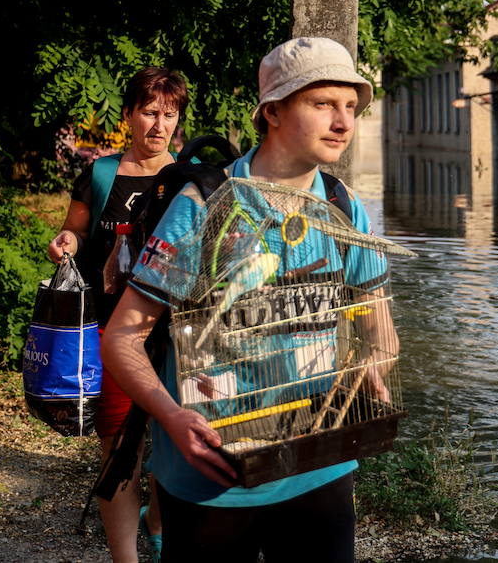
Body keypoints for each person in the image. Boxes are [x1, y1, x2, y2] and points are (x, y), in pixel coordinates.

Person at [102, 37, 397, 563]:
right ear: (274, 111)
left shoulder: (344, 206)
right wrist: (171, 418)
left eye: (351, 106)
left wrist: (372, 364)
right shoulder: (205, 207)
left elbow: (379, 328)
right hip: (213, 478)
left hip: (319, 468)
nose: (343, 122)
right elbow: (123, 337)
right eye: (323, 103)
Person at [49, 66, 187, 562]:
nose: (159, 125)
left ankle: (158, 520)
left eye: (169, 115)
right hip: (111, 330)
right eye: (149, 113)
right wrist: (69, 241)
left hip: (177, 335)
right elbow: (77, 233)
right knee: (117, 451)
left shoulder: (188, 180)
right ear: (128, 114)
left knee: (174, 445)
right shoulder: (102, 174)